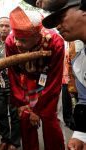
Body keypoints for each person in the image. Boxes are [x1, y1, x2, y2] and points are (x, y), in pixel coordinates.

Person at [5, 6, 65, 150]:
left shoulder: (55, 42)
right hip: (26, 81)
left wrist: (38, 110)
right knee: (25, 116)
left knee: (49, 117)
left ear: (37, 36)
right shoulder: (10, 41)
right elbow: (13, 75)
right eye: (16, 38)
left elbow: (54, 81)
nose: (17, 43)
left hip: (48, 82)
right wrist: (22, 104)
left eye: (23, 40)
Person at [42, 0, 86, 149]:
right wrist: (80, 136)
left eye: (61, 17)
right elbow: (84, 101)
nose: (58, 26)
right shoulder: (79, 63)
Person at [0, 17, 20, 150]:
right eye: (2, 25)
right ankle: (5, 139)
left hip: (14, 80)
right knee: (0, 112)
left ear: (11, 28)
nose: (4, 28)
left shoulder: (17, 42)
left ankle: (15, 142)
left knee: (14, 113)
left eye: (7, 26)